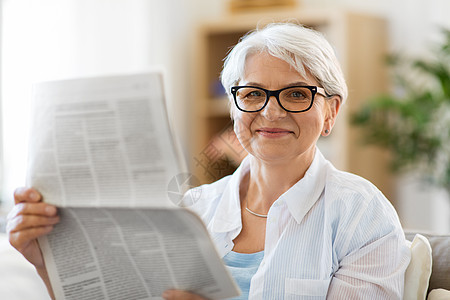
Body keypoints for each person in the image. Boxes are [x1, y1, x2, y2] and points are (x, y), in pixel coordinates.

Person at [7, 23, 410, 299]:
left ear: (331, 112)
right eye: (252, 94)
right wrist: (49, 263)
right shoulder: (191, 208)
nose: (270, 113)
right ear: (233, 107)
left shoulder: (362, 214)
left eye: (296, 93)